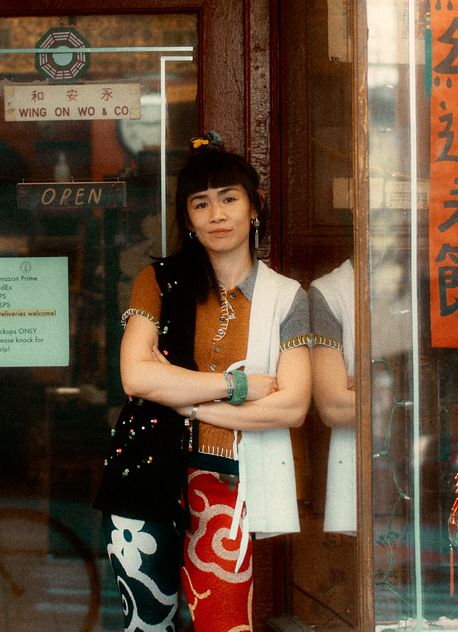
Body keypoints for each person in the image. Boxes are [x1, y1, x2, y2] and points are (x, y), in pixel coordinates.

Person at [94, 132, 311, 631]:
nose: (217, 214)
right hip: (144, 475)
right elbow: (135, 376)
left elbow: (292, 406)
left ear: (254, 207)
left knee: (225, 624)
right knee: (145, 625)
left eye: (229, 199)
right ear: (188, 219)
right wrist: (238, 388)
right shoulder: (159, 282)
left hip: (227, 481)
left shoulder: (287, 298)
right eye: (201, 203)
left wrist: (184, 398)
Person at [308, 259, 357, 535]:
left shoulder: (426, 275)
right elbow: (333, 405)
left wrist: (364, 388)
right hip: (362, 462)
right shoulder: (330, 291)